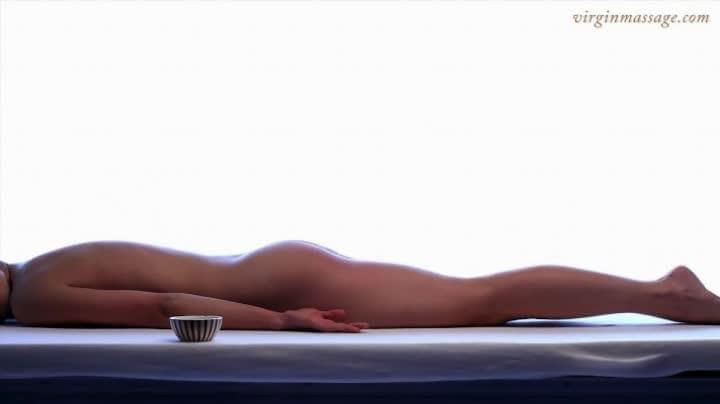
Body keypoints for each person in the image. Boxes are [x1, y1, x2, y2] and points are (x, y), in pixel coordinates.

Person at [1, 240, 718, 333]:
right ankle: (658, 293)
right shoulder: (40, 266)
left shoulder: (32, 294)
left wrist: (286, 322)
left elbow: (170, 307)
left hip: (280, 286)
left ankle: (663, 295)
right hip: (272, 272)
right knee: (482, 299)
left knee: (484, 301)